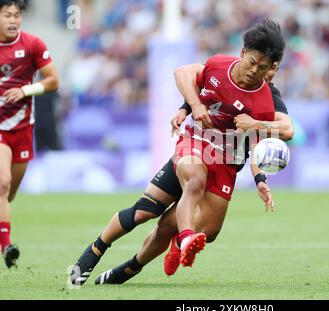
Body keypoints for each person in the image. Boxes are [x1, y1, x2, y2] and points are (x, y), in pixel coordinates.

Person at [70, 18, 286, 285]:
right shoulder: (220, 64)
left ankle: (131, 268)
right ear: (243, 53)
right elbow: (188, 76)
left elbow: (270, 137)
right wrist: (191, 107)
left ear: (272, 68)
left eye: (263, 67)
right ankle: (94, 253)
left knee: (201, 230)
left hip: (226, 163)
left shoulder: (267, 100)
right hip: (196, 142)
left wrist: (260, 177)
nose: (256, 71)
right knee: (150, 207)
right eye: (253, 62)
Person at [0, 0, 59, 268]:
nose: (13, 20)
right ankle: (6, 247)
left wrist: (25, 90)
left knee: (9, 193)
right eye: (7, 15)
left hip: (23, 129)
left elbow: (53, 80)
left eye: (16, 15)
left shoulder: (33, 44)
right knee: (1, 184)